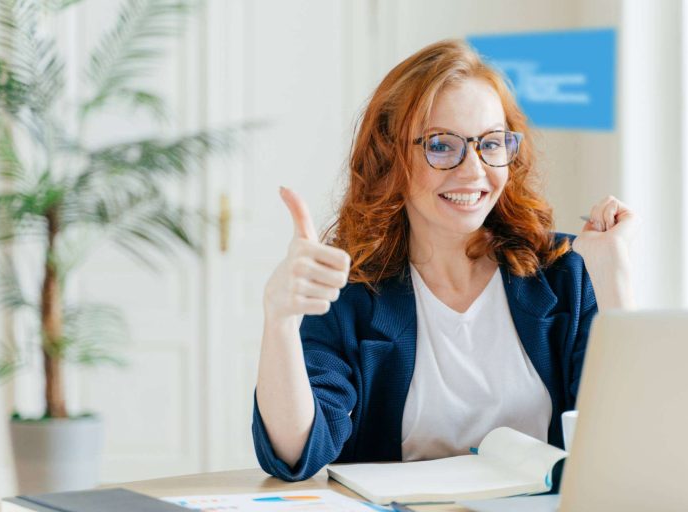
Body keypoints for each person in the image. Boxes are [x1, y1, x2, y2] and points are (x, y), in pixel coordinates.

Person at [253, 39, 636, 483]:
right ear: (389, 157)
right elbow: (295, 452)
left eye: (491, 143)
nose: (473, 170)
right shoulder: (351, 291)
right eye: (440, 145)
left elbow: (632, 436)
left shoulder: (565, 271)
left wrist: (613, 281)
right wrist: (279, 319)